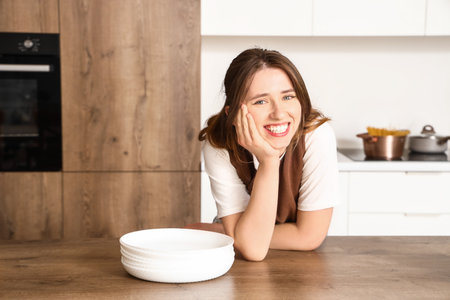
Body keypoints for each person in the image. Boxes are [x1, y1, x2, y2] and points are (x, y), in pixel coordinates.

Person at [187, 48, 339, 261]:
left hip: (298, 262)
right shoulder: (219, 145)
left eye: (288, 97)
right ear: (233, 113)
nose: (278, 113)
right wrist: (269, 161)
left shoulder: (317, 136)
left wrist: (225, 233)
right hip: (239, 262)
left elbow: (310, 237)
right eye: (260, 101)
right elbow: (252, 251)